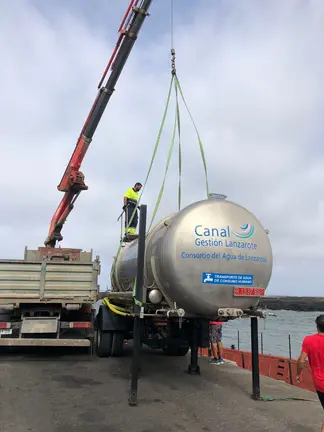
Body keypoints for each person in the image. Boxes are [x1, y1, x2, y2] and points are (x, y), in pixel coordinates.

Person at [296, 314, 324, 431]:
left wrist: (298, 374)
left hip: (319, 383)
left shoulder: (309, 340)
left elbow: (301, 360)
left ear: (317, 326)